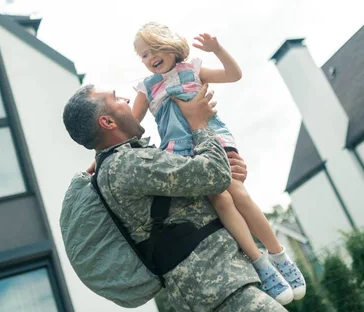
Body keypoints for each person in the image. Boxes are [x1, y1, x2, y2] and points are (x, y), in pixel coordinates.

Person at [63, 83, 287, 311]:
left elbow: (208, 180)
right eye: (116, 98)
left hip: (219, 287)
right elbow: (213, 173)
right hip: (218, 289)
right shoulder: (125, 164)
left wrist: (230, 172)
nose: (127, 100)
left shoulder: (123, 162)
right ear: (107, 122)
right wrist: (198, 123)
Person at [131, 22, 305, 304]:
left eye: (153, 50)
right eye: (142, 56)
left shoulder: (192, 69)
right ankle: (260, 262)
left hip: (213, 140)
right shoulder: (147, 88)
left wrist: (218, 50)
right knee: (221, 200)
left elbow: (233, 75)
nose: (149, 59)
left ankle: (279, 256)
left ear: (170, 44)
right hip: (181, 152)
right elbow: (132, 124)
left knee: (238, 193)